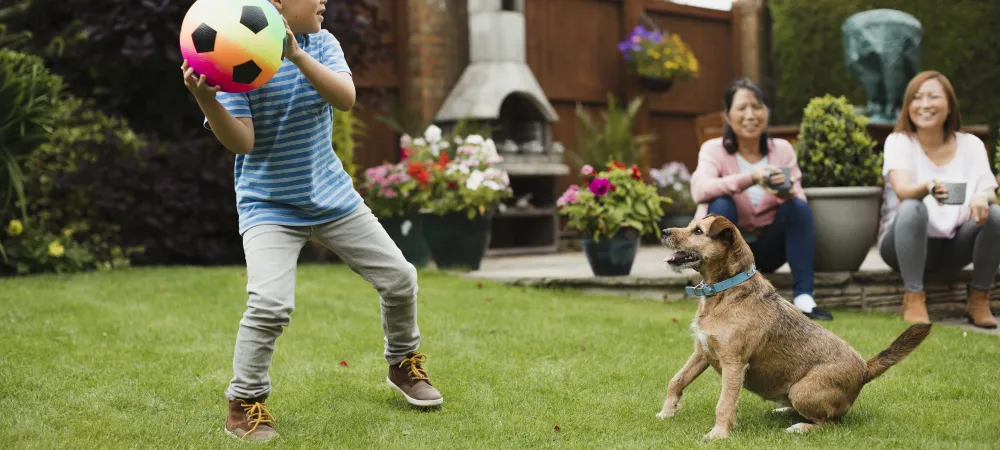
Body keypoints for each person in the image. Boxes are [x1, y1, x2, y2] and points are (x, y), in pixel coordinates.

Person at [181, 0, 443, 441]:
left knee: (400, 278)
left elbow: (345, 99)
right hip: (270, 207)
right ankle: (244, 402)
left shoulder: (320, 44)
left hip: (332, 198)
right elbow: (241, 142)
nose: (324, 0)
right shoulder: (232, 52)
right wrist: (206, 99)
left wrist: (297, 55)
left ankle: (403, 364)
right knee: (269, 304)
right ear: (278, 3)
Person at [689, 77, 832, 321]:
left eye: (757, 107)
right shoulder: (714, 149)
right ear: (727, 116)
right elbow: (700, 190)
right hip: (727, 252)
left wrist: (785, 193)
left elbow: (799, 196)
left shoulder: (783, 149)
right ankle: (721, 294)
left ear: (767, 112)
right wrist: (751, 178)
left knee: (797, 207)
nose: (750, 115)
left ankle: (804, 297)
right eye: (742, 108)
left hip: (768, 248)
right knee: (721, 206)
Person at [878, 70, 999, 328]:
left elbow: (988, 188)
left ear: (949, 105)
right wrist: (927, 187)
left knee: (996, 214)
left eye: (933, 97)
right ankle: (913, 296)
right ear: (908, 105)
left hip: (954, 246)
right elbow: (902, 190)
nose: (924, 105)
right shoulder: (898, 141)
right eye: (917, 98)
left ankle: (979, 298)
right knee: (912, 207)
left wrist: (980, 197)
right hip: (902, 246)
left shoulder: (972, 145)